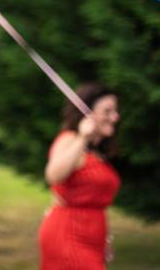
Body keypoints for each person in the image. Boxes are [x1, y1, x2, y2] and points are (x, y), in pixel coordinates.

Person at [39, 83, 121, 270]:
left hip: (92, 237)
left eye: (115, 111)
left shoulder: (97, 153)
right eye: (107, 111)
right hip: (68, 235)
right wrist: (83, 138)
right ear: (87, 113)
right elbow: (53, 175)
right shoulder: (70, 139)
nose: (115, 117)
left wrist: (104, 237)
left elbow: (94, 202)